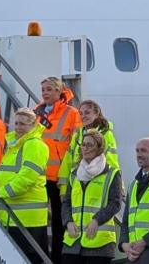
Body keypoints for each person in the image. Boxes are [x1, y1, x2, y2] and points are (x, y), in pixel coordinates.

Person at [0, 108, 49, 263]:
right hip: (14, 215)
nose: (18, 127)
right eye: (16, 123)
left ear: (33, 125)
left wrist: (3, 192)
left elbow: (27, 177)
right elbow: (7, 169)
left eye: (23, 124)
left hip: (28, 218)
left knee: (30, 258)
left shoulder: (35, 145)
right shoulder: (17, 144)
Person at [34, 76, 82, 264]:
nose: (45, 93)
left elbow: (76, 142)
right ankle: (41, 255)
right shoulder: (37, 112)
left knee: (58, 221)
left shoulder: (71, 113)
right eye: (43, 89)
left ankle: (57, 258)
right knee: (38, 218)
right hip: (39, 174)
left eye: (48, 89)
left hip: (59, 177)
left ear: (58, 92)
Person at [61, 129, 122, 264]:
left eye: (90, 145)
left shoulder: (112, 173)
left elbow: (115, 203)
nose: (85, 148)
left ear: (100, 148)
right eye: (83, 144)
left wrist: (96, 220)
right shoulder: (74, 173)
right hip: (73, 241)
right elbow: (66, 203)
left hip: (99, 243)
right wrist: (68, 222)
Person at [58, 100, 120, 197]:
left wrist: (118, 185)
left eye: (87, 113)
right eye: (81, 113)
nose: (83, 116)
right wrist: (63, 189)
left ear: (96, 114)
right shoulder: (78, 135)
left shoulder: (106, 134)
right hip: (77, 182)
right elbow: (68, 161)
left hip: (98, 182)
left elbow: (111, 161)